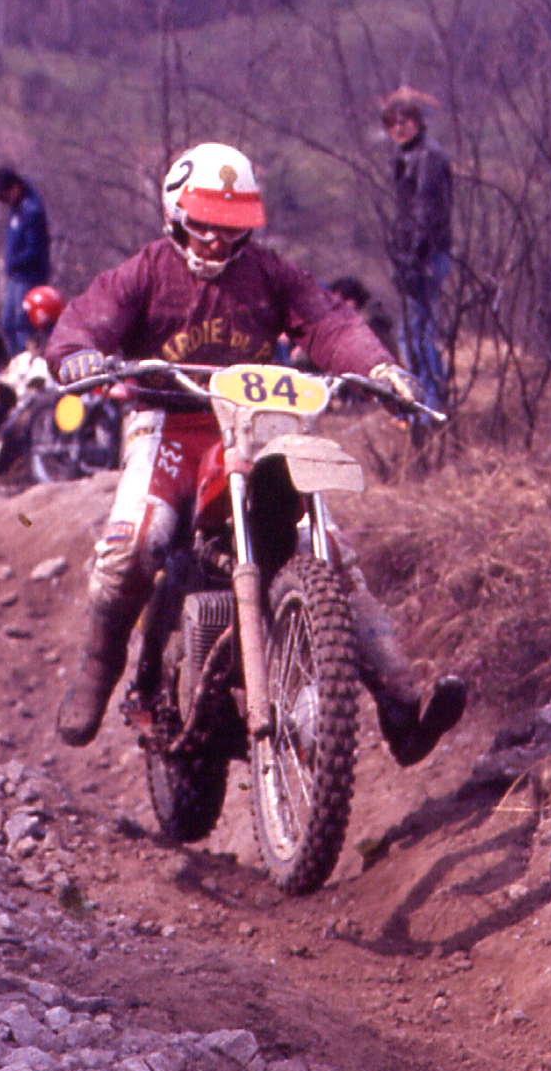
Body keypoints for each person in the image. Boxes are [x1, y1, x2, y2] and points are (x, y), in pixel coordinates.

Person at [46, 139, 467, 760]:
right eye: (205, 225)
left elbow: (329, 322)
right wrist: (79, 353)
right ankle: (100, 669)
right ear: (175, 213)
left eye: (232, 227)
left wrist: (380, 369)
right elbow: (89, 316)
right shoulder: (145, 271)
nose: (218, 241)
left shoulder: (270, 274)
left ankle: (401, 709)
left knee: (331, 554)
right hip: (169, 424)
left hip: (251, 425)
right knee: (135, 544)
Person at [380, 86, 453, 415]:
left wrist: (415, 256)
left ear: (417, 121)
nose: (398, 128)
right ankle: (423, 406)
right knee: (414, 332)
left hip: (426, 254)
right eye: (391, 123)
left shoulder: (428, 157)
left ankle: (428, 409)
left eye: (404, 121)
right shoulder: (405, 156)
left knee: (419, 334)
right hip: (412, 253)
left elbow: (428, 209)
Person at [0, 166, 52, 355]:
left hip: (29, 276)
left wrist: (14, 262)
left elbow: (35, 249)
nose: (4, 202)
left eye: (4, 196)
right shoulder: (17, 206)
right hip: (15, 276)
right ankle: (15, 359)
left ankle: (26, 360)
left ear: (14, 188)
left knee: (22, 324)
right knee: (8, 323)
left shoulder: (31, 210)